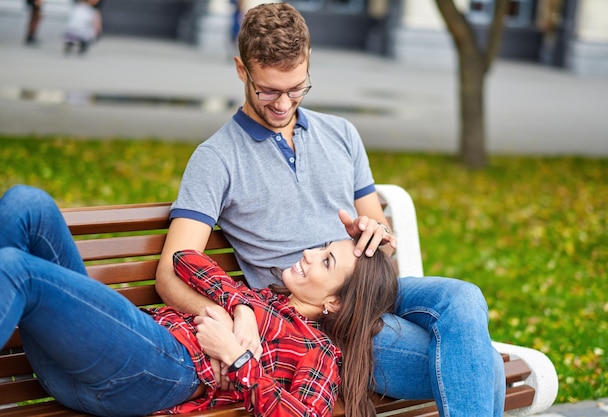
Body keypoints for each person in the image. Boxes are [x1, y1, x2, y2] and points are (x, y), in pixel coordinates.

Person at [155, 3, 506, 416]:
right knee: (485, 367)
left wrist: (374, 233)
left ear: (308, 66)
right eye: (268, 90)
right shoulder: (216, 158)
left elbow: (384, 245)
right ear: (240, 70)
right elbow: (170, 272)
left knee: (465, 299)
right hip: (315, 318)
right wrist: (238, 311)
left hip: (371, 288)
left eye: (297, 88)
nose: (283, 104)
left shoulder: (341, 134)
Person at [0, 185, 397, 417]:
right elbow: (184, 259)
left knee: (17, 268)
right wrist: (237, 310)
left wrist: (238, 359)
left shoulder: (319, 352)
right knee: (27, 204)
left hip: (155, 370)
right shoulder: (262, 298)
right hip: (93, 356)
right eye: (323, 246)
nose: (310, 253)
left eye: (326, 261)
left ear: (335, 303)